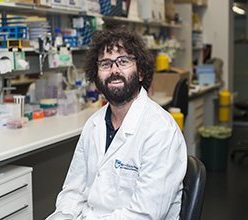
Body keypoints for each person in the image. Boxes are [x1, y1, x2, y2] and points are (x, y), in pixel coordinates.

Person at [46, 27, 187, 220]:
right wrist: (63, 215)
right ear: (96, 77)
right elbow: (74, 190)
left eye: (123, 61)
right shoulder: (93, 124)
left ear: (140, 73)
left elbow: (145, 214)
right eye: (105, 63)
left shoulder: (161, 129)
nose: (114, 70)